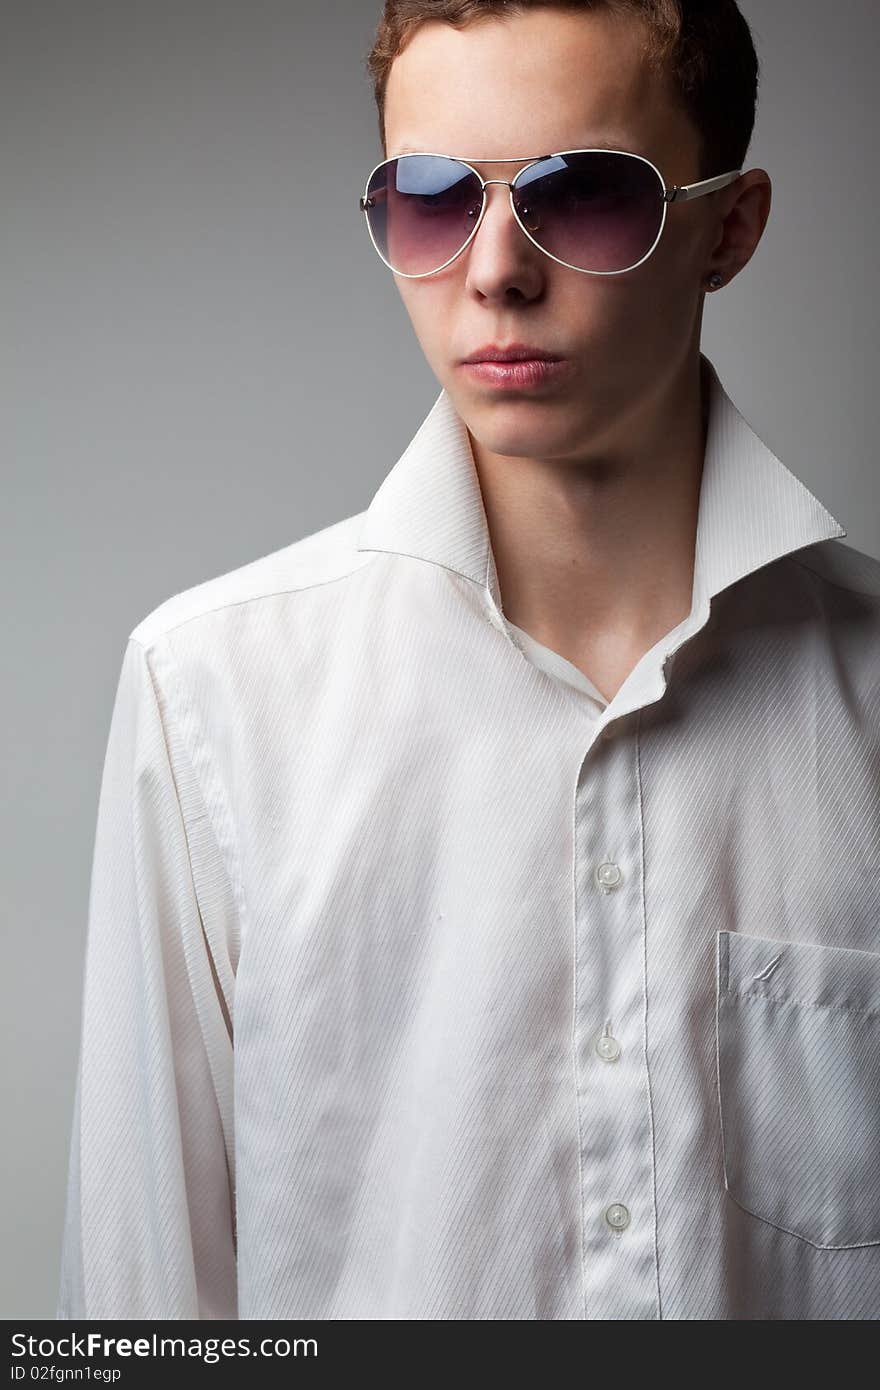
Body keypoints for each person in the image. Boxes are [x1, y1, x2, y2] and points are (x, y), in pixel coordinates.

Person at [58, 0, 880, 1321]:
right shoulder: (210, 694)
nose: (494, 268)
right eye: (431, 200)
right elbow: (140, 1303)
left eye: (586, 197)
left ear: (726, 228)